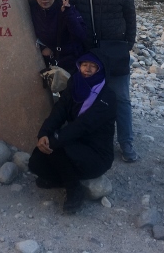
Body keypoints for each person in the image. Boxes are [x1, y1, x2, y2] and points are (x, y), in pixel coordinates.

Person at [67, 0, 138, 162]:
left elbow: (130, 15)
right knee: (88, 97)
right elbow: (59, 1)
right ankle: (90, 138)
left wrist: (129, 44)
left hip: (116, 49)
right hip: (90, 51)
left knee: (122, 98)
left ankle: (126, 142)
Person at [29, 53, 116, 214]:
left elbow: (84, 125)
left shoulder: (107, 96)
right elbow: (59, 111)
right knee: (36, 161)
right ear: (79, 66)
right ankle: (63, 179)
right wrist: (44, 133)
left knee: (57, 148)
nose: (87, 70)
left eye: (93, 66)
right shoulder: (75, 85)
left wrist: (56, 139)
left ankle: (74, 191)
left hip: (96, 153)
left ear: (100, 69)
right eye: (84, 65)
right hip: (75, 144)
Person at [30, 0, 85, 75]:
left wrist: (68, 14)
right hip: (48, 62)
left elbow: (80, 36)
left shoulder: (67, 9)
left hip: (70, 61)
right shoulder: (33, 11)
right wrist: (43, 48)